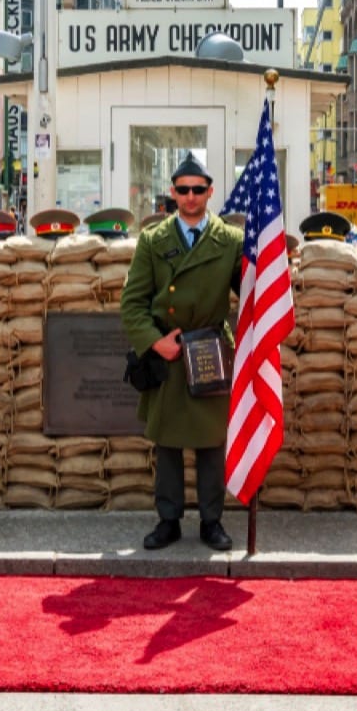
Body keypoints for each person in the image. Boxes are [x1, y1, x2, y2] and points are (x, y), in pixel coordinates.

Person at [119, 154, 241, 553]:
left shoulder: (230, 242)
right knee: (168, 443)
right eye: (183, 189)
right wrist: (156, 343)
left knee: (210, 442)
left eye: (198, 189)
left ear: (210, 192)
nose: (191, 197)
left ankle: (212, 521)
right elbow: (132, 303)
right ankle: (168, 520)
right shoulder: (154, 241)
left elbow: (254, 294)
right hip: (169, 351)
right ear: (172, 193)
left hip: (209, 349)